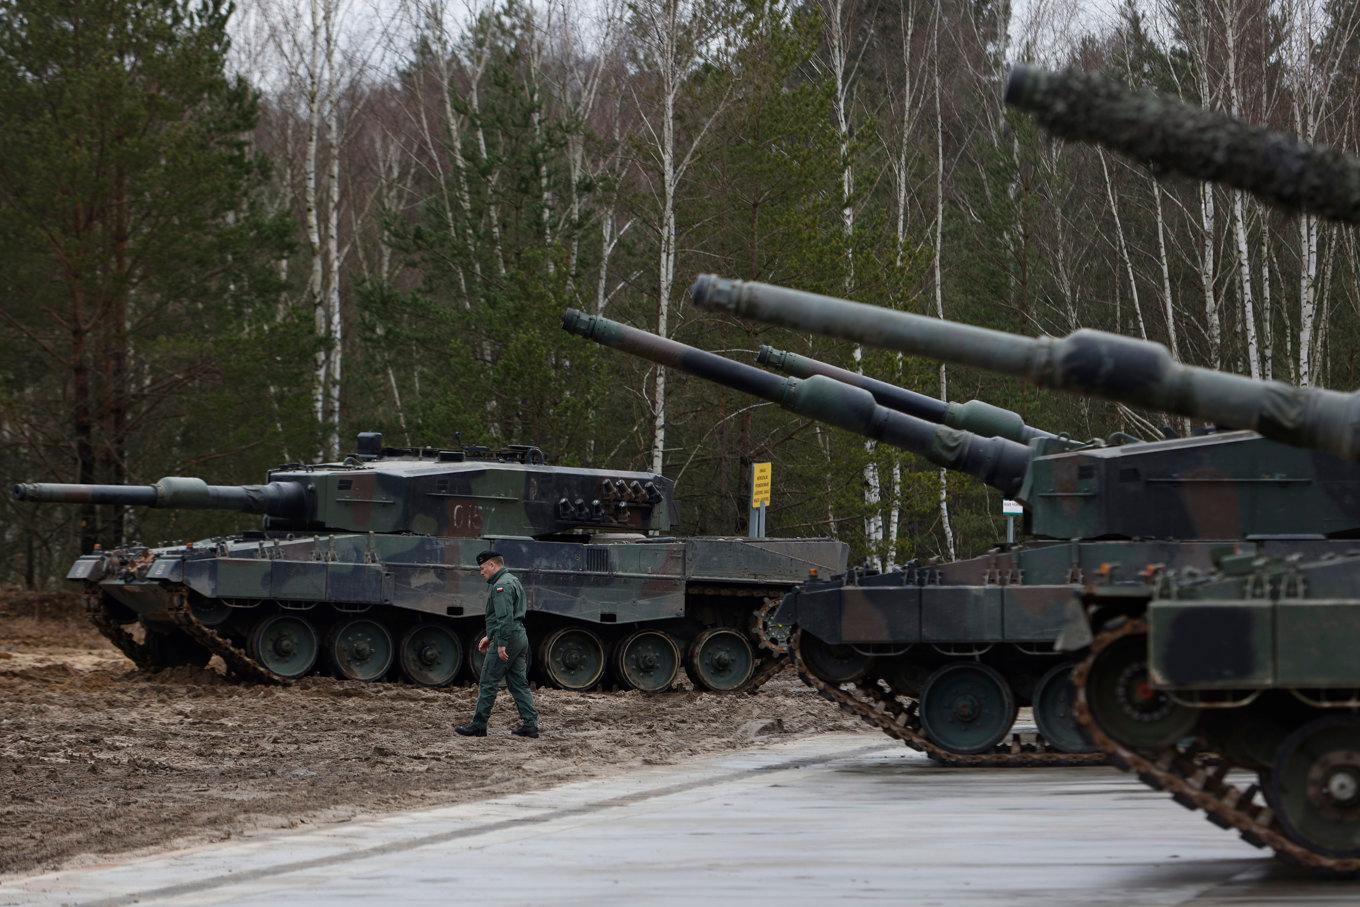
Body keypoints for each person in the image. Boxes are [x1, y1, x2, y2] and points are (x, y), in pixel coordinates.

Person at [456, 550, 540, 738]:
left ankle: (478, 725)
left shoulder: (500, 586)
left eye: (483, 567)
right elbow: (506, 617)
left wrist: (500, 643)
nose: (481, 571)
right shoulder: (513, 580)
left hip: (508, 638)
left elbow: (504, 617)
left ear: (492, 565)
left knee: (488, 681)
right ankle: (530, 724)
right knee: (518, 683)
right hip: (518, 636)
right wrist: (489, 636)